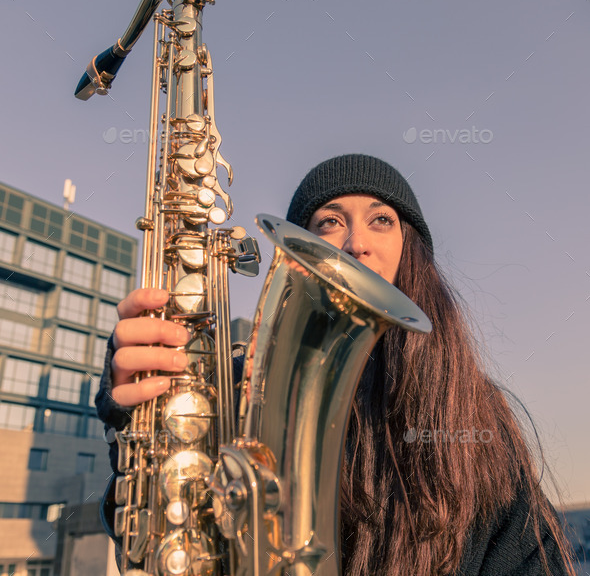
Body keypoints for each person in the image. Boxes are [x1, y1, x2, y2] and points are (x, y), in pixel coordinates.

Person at [96, 154, 576, 576]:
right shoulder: (231, 388)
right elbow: (167, 540)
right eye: (329, 221)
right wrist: (142, 415)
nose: (356, 243)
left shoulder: (476, 413)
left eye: (382, 220)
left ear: (413, 251)